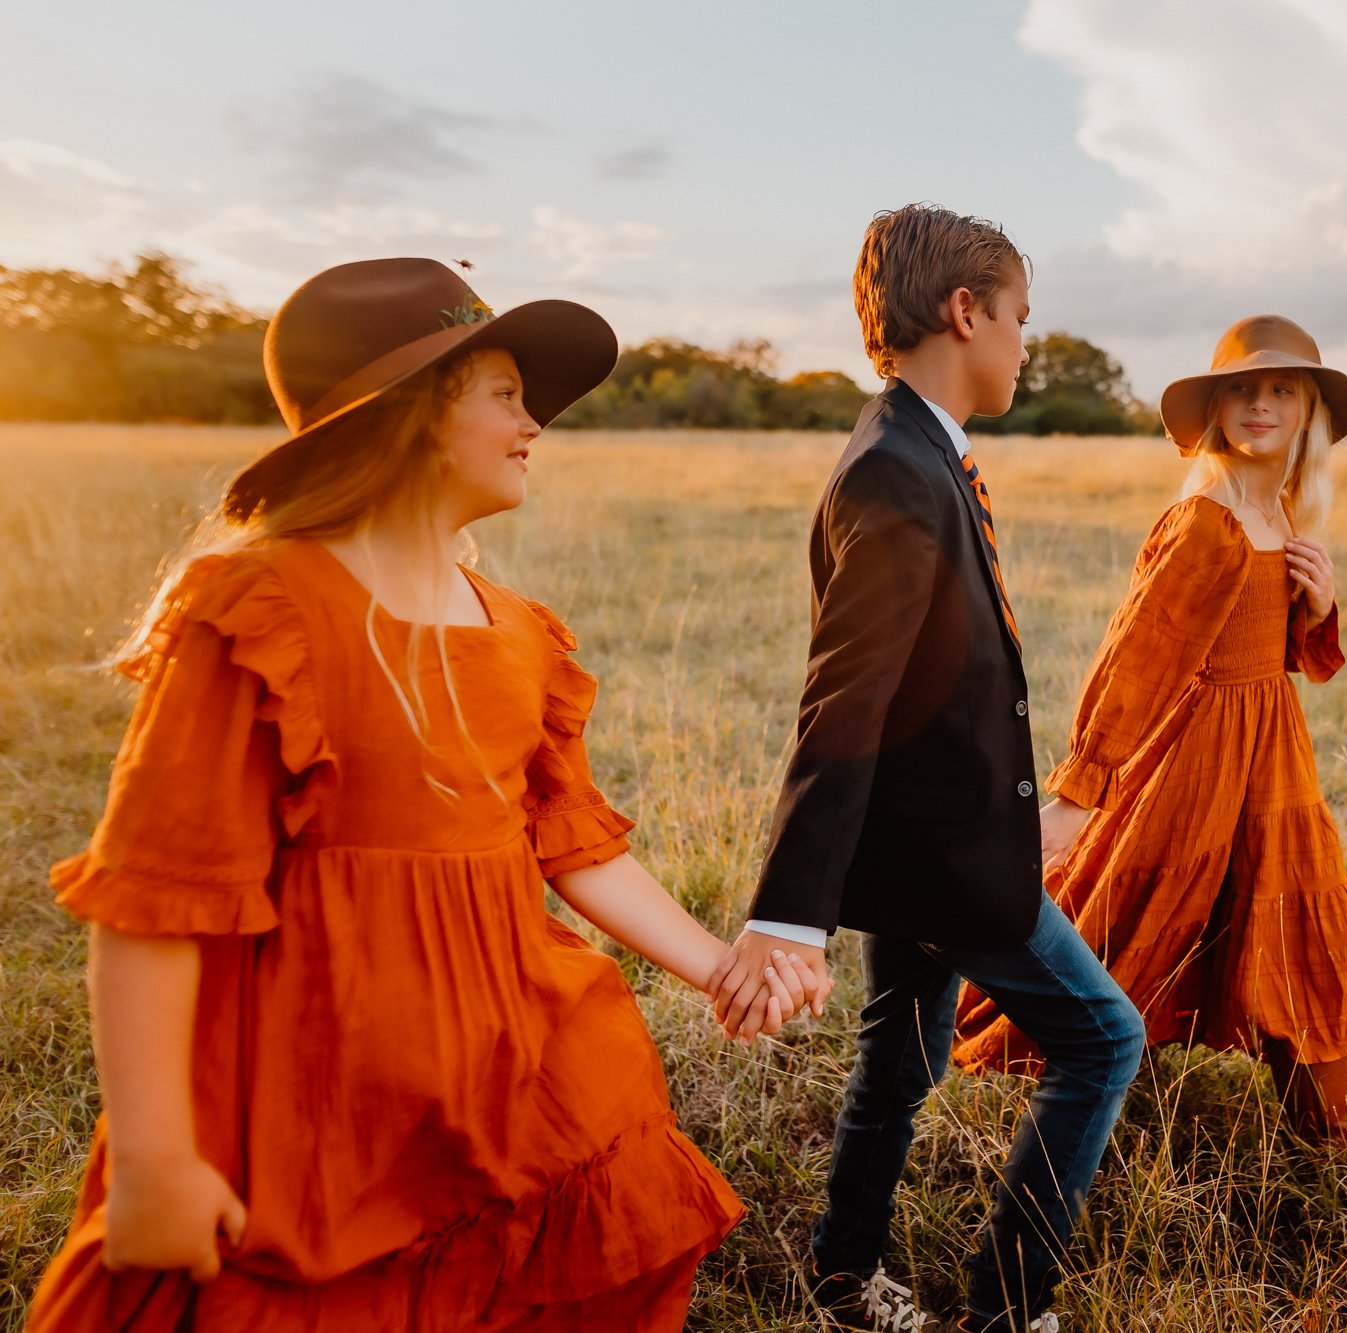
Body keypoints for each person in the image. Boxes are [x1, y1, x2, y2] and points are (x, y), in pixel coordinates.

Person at [27, 258, 806, 1332]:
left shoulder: (515, 626)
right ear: (413, 415)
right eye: (504, 394)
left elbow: (573, 845)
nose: (534, 423)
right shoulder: (264, 609)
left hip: (502, 1067)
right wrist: (157, 1158)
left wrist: (721, 966)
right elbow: (153, 901)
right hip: (316, 1095)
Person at [706, 205, 1145, 1333]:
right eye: (1018, 321)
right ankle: (1006, 1309)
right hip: (949, 855)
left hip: (915, 843)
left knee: (899, 1061)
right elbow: (840, 705)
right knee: (1104, 1039)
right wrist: (788, 918)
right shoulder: (896, 473)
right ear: (965, 311)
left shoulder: (907, 449)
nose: (1023, 345)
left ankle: (845, 1273)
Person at [953, 315, 1347, 1169]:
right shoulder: (1208, 519)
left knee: (1299, 924)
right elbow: (1138, 659)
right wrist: (1080, 795)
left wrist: (1320, 603)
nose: (1259, 405)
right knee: (1141, 921)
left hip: (1271, 757)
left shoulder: (1279, 510)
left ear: (1308, 413)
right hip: (1194, 757)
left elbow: (1282, 655)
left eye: (1281, 391)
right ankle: (1071, 1086)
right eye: (1241, 388)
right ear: (1215, 405)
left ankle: (1342, 1151)